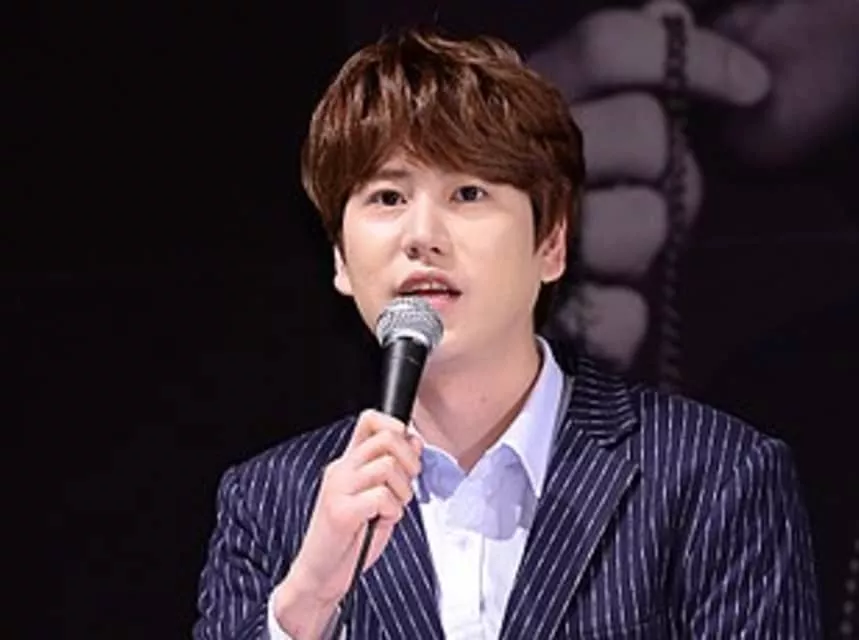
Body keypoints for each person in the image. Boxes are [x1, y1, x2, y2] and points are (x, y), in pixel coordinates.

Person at [192, 27, 821, 639]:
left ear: (552, 244)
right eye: (387, 198)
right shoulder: (271, 501)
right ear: (340, 260)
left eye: (468, 193)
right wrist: (308, 600)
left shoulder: (714, 475)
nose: (422, 236)